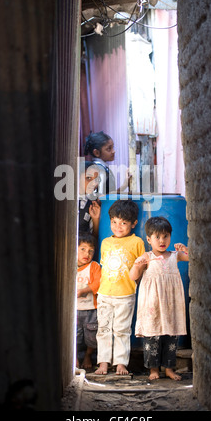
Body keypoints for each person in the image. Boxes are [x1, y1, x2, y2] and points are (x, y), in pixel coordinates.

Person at [129, 216, 189, 381]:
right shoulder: (147, 257)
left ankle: (169, 369)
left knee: (171, 337)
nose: (162, 240)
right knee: (152, 338)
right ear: (149, 239)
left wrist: (185, 249)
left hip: (171, 305)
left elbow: (192, 256)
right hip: (152, 305)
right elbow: (132, 276)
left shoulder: (175, 255)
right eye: (157, 237)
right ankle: (153, 370)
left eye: (165, 236)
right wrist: (137, 264)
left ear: (170, 236)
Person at [95, 200, 145, 375]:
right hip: (104, 293)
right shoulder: (106, 242)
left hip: (125, 295)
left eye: (123, 223)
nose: (118, 226)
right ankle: (103, 363)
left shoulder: (137, 242)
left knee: (122, 330)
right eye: (114, 222)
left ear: (134, 224)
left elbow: (142, 267)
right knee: (103, 329)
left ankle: (121, 364)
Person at [77, 233, 101, 370]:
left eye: (91, 251)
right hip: (74, 310)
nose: (87, 253)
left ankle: (88, 355)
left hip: (91, 309)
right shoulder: (68, 265)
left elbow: (99, 283)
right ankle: (74, 358)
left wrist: (85, 290)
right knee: (75, 336)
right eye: (83, 249)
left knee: (92, 336)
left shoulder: (94, 267)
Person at [78, 160, 101, 238]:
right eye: (88, 178)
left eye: (96, 180)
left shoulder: (92, 205)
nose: (94, 183)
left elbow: (93, 238)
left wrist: (96, 219)